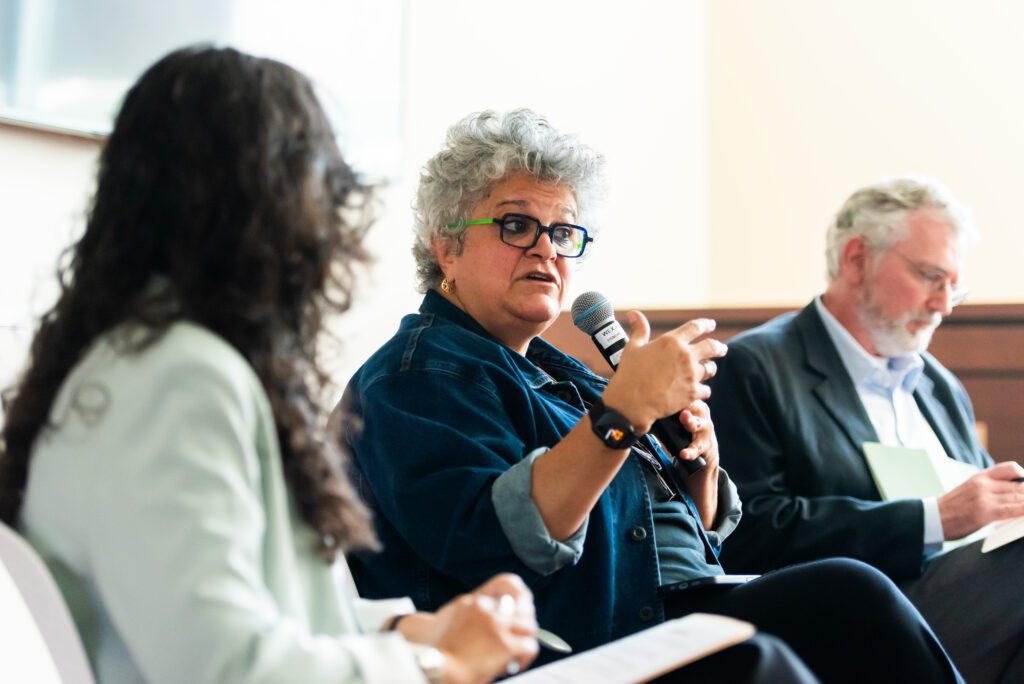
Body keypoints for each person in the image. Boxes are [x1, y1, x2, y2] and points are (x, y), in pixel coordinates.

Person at [342, 109, 963, 683]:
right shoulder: (414, 377)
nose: (545, 249)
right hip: (575, 645)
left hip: (674, 605)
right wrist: (622, 414)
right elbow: (498, 547)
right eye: (516, 225)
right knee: (786, 642)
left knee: (853, 596)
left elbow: (693, 533)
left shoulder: (563, 371)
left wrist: (700, 467)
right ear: (445, 243)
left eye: (563, 231)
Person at [0, 46, 540, 684]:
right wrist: (435, 666)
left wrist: (409, 629)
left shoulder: (140, 360)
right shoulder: (178, 380)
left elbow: (252, 618)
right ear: (269, 208)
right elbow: (225, 667)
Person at [708, 176, 1024, 684]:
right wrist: (932, 519)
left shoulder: (938, 385)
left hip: (968, 611)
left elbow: (985, 516)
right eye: (929, 276)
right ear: (857, 259)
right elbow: (748, 532)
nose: (944, 304)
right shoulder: (755, 366)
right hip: (852, 620)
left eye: (954, 286)